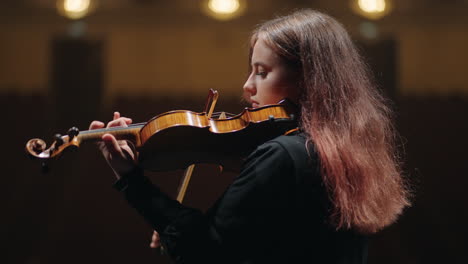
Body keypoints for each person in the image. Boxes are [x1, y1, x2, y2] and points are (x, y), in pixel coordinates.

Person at [89, 9, 410, 264]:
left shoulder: (282, 155)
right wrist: (175, 226)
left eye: (262, 72)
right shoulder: (343, 154)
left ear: (307, 78)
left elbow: (205, 250)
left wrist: (132, 179)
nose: (247, 86)